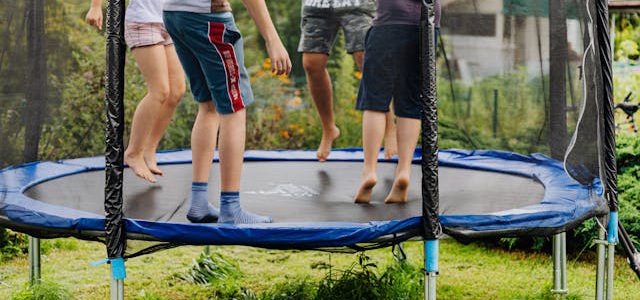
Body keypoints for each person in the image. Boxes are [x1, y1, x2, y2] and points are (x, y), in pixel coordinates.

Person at [163, 0, 292, 223]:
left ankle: (199, 201)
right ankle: (231, 208)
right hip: (208, 18)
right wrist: (272, 39)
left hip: (175, 13)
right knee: (234, 108)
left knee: (208, 105)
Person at [86, 0, 186, 183]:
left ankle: (149, 149)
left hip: (170, 20)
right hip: (143, 20)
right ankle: (133, 152)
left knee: (177, 91)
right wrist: (95, 6)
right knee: (160, 91)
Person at [354, 0, 441, 204]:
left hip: (389, 21)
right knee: (411, 102)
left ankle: (369, 171)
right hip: (427, 24)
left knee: (374, 101)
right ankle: (404, 171)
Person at [299, 0, 398, 162]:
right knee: (312, 63)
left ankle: (389, 127)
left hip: (356, 4)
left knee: (367, 59)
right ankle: (329, 129)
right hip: (318, 4)